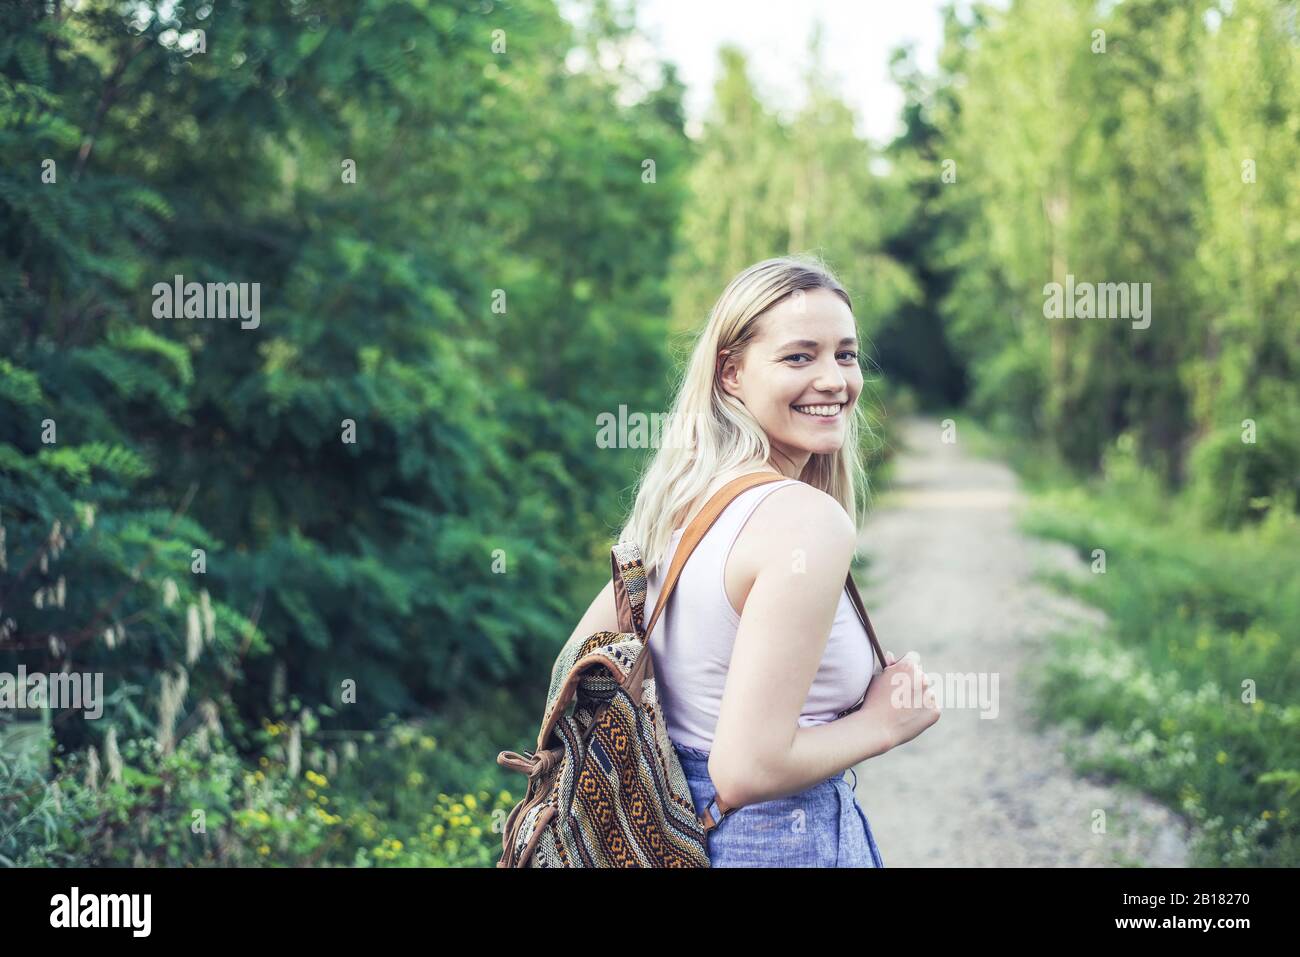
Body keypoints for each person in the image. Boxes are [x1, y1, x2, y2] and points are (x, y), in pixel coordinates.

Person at [566, 255, 941, 866]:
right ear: (732, 375)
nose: (833, 379)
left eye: (845, 355)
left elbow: (575, 669)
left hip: (677, 838)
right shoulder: (805, 520)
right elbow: (745, 769)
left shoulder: (681, 505)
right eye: (799, 357)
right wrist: (886, 723)